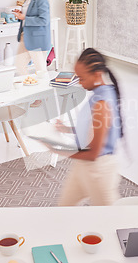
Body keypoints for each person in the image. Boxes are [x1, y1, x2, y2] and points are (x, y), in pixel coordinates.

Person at [49, 48, 123, 206]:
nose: (79, 83)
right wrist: (67, 129)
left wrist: (59, 150)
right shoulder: (99, 93)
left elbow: (93, 153)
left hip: (99, 171)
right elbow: (92, 129)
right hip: (83, 167)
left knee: (111, 222)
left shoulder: (102, 103)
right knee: (63, 210)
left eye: (81, 78)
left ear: (97, 75)